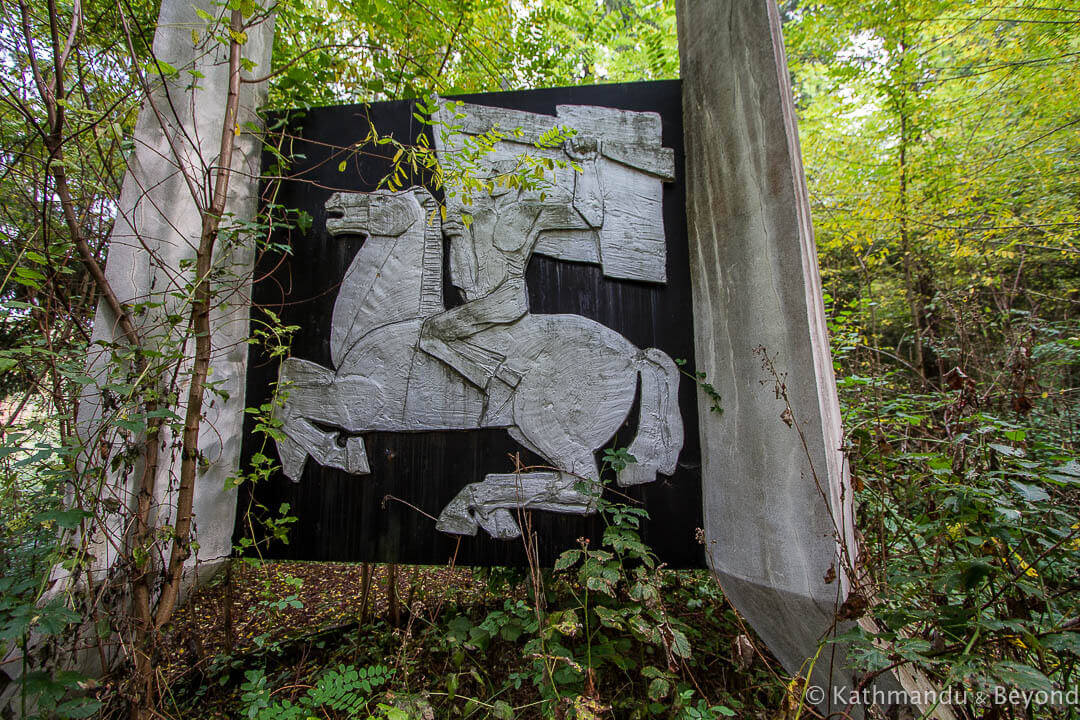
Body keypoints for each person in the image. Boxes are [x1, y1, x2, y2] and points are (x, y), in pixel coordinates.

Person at [419, 135, 604, 390]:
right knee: (432, 332)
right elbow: (466, 281)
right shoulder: (473, 214)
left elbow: (590, 216)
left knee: (430, 332)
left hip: (507, 302)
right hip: (478, 300)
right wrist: (459, 239)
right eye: (489, 171)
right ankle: (498, 374)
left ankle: (492, 381)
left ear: (516, 177)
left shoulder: (530, 211)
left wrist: (588, 164)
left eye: (498, 170)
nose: (490, 175)